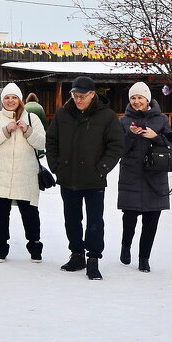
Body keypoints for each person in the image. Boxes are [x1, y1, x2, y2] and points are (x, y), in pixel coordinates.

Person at [45, 75, 125, 280]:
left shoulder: (106, 116)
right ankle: (77, 254)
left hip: (94, 178)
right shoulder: (63, 114)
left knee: (94, 221)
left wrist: (102, 168)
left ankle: (93, 259)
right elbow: (51, 141)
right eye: (74, 95)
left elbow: (116, 145)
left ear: (92, 94)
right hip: (68, 176)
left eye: (82, 96)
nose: (78, 99)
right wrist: (56, 166)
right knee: (72, 219)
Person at [0, 82, 47, 262]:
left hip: (26, 174)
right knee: (0, 213)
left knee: (30, 213)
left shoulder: (32, 118)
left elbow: (41, 143)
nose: (10, 101)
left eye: (14, 97)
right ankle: (1, 248)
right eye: (7, 98)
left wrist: (27, 130)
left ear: (20, 100)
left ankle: (35, 247)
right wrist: (4, 130)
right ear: (2, 100)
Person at [117, 82, 172, 273]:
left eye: (140, 97)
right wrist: (131, 135)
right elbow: (119, 149)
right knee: (130, 217)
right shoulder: (124, 121)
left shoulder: (161, 120)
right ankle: (126, 247)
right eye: (133, 98)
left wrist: (155, 136)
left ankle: (144, 258)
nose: (136, 101)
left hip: (155, 176)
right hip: (131, 174)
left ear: (147, 99)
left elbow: (171, 147)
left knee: (152, 219)